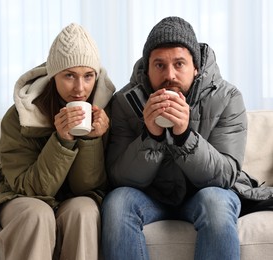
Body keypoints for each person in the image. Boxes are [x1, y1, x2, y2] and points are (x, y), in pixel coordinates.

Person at [102, 16, 246, 260]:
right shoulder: (125, 102)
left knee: (216, 203)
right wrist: (151, 136)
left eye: (179, 64)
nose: (170, 75)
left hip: (204, 192)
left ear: (196, 67)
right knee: (117, 202)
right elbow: (118, 177)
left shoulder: (227, 97)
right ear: (147, 69)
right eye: (159, 65)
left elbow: (226, 175)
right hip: (150, 196)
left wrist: (185, 136)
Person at [0, 23, 115, 260]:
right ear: (53, 75)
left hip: (72, 196)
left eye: (88, 76)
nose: (80, 89)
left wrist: (91, 139)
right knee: (37, 213)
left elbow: (86, 189)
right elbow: (31, 188)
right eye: (69, 76)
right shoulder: (20, 116)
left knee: (85, 210)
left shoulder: (104, 114)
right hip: (21, 195)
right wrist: (62, 141)